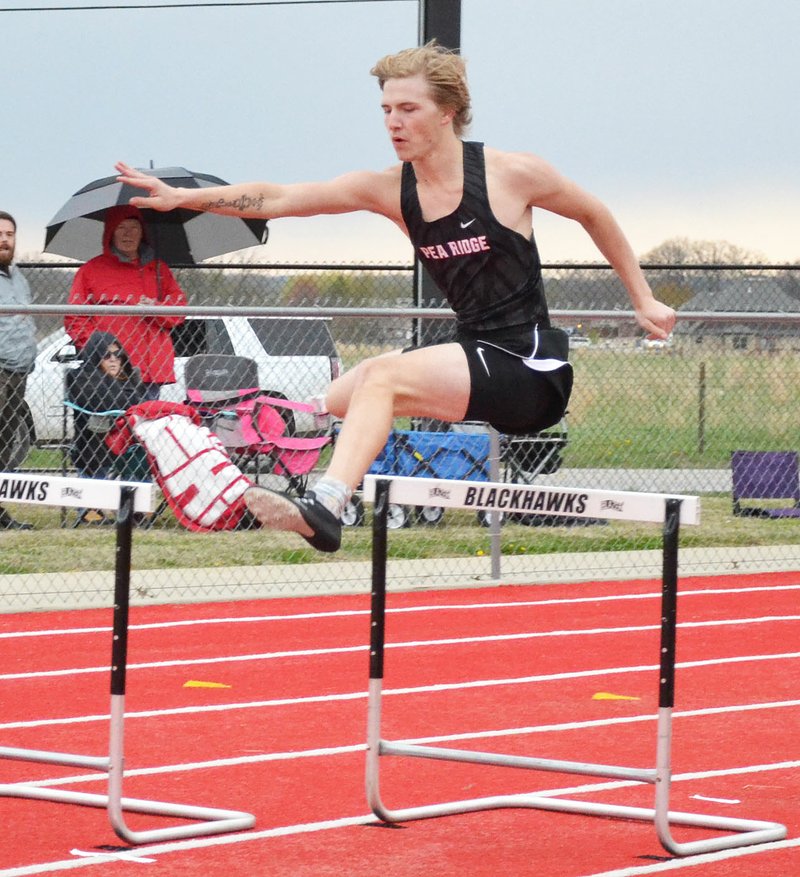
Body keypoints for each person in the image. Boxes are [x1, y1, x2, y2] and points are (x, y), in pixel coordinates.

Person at [115, 41, 676, 554]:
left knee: (380, 376)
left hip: (533, 367)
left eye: (408, 109)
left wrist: (643, 299)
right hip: (476, 355)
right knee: (341, 396)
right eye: (385, 109)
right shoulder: (389, 189)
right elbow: (281, 197)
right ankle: (273, 468)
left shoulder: (512, 174)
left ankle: (328, 506)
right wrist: (184, 198)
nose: (393, 122)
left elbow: (594, 212)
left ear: (446, 112)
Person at [65, 205, 188, 401]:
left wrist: (154, 309)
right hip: (110, 370)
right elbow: (75, 319)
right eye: (121, 228)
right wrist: (100, 353)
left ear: (142, 233)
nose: (128, 234)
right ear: (110, 233)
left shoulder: (158, 269)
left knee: (145, 428)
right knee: (110, 427)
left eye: (134, 227)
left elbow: (179, 313)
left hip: (150, 369)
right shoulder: (91, 271)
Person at [67, 333, 148, 523]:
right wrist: (119, 394)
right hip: (94, 438)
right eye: (106, 355)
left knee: (142, 450)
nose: (113, 359)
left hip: (127, 439)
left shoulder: (129, 377)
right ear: (95, 357)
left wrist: (118, 392)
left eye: (117, 354)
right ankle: (90, 508)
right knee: (95, 439)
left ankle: (137, 507)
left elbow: (135, 404)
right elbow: (98, 402)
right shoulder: (81, 376)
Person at [0, 211, 37, 530]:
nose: (4, 239)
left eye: (9, 234)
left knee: (4, 443)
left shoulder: (18, 277)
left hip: (19, 372)